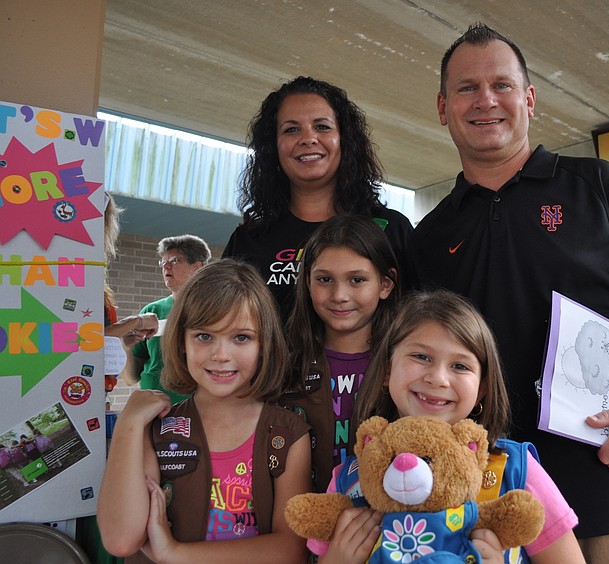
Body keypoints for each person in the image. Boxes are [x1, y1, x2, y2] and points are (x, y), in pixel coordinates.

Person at [408, 23, 609, 562]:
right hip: (487, 509)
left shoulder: (600, 186)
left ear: (530, 99)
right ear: (443, 107)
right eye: (467, 88)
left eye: (501, 85)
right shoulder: (429, 237)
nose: (486, 100)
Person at [307, 290, 585, 563]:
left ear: (482, 388)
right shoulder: (351, 478)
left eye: (460, 366)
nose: (438, 378)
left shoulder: (515, 470)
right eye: (421, 357)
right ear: (387, 369)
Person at [98, 259, 312, 563]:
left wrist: (175, 553)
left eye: (241, 337)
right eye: (204, 336)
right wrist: (129, 423)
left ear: (264, 344)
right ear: (182, 342)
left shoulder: (288, 434)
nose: (221, 355)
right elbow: (121, 540)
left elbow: (291, 550)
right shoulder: (154, 429)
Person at [222, 76, 413, 323]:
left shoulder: (391, 230)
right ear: (273, 146)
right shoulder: (249, 240)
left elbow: (419, 323)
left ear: (344, 139)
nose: (308, 139)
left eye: (322, 126)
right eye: (291, 129)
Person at [280, 214, 400, 492]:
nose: (340, 295)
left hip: (385, 524)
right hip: (303, 518)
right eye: (324, 279)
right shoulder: (283, 364)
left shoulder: (405, 365)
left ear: (385, 285)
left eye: (357, 280)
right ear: (307, 282)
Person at [121, 234, 211, 404]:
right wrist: (126, 349)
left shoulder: (215, 310)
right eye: (162, 262)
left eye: (175, 260)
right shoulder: (151, 311)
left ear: (197, 267)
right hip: (153, 410)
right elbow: (131, 378)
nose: (165, 266)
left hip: (197, 411)